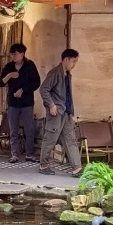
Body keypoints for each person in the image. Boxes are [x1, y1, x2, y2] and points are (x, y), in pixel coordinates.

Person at [39, 48, 83, 177]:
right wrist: (51, 105)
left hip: (67, 112)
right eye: (73, 61)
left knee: (71, 139)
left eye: (76, 62)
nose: (74, 64)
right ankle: (43, 165)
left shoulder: (68, 75)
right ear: (66, 60)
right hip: (56, 113)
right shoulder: (55, 73)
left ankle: (77, 168)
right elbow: (43, 89)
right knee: (50, 139)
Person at [0, 43, 41, 163]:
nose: (13, 56)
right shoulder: (9, 66)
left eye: (15, 54)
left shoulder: (30, 65)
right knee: (13, 129)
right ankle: (14, 154)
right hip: (13, 102)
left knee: (29, 128)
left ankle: (29, 154)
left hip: (26, 102)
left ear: (22, 54)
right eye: (11, 54)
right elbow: (0, 82)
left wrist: (23, 90)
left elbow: (36, 82)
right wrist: (10, 75)